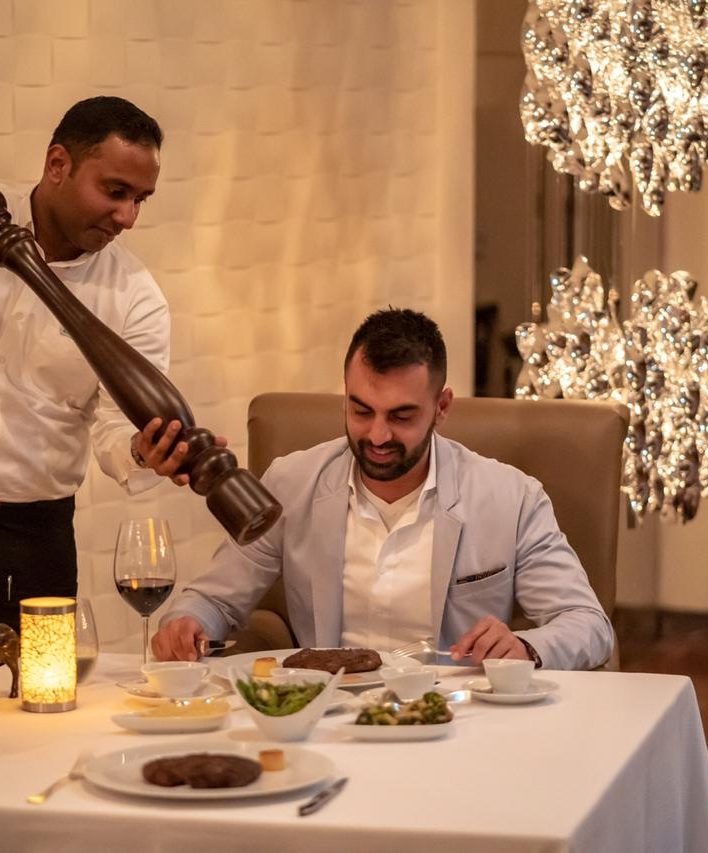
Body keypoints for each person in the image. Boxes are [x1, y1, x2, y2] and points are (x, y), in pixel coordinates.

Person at [152, 308, 614, 670]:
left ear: (442, 407)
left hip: (458, 722)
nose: (377, 435)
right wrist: (186, 623)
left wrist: (525, 647)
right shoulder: (290, 485)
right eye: (361, 411)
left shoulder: (511, 498)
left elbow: (588, 624)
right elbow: (213, 599)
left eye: (401, 416)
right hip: (328, 718)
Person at [0, 96, 191, 633]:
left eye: (140, 199)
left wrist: (143, 449)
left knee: (43, 685)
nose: (127, 217)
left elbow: (114, 429)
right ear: (57, 164)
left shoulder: (135, 297)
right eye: (114, 191)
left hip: (35, 536)